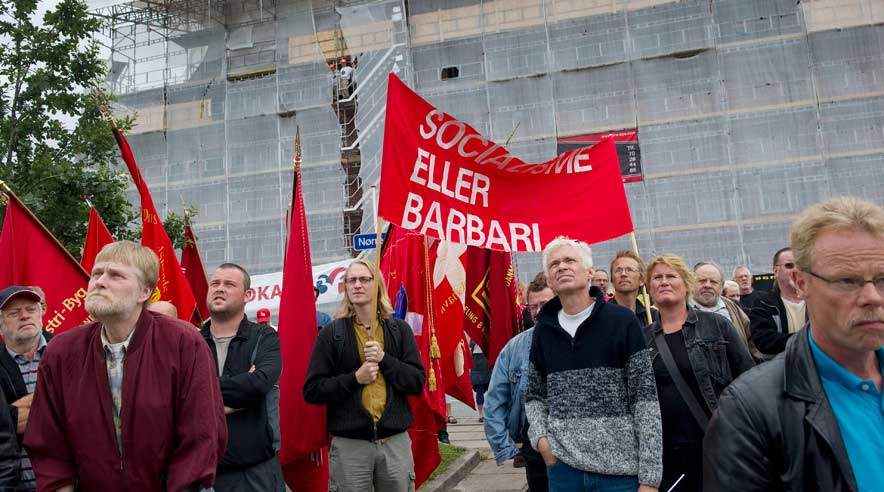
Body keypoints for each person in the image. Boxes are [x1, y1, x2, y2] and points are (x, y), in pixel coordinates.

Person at [704, 196, 884, 491]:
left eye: (882, 278)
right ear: (801, 283)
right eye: (846, 280)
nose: (872, 297)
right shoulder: (747, 411)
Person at [24, 241, 227, 491]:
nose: (99, 281)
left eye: (116, 275)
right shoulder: (62, 352)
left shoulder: (183, 342)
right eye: (97, 273)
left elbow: (201, 433)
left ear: (144, 292)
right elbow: (48, 441)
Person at [526, 237, 662, 492]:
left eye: (570, 260)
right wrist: (542, 441)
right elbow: (534, 396)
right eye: (554, 264)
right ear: (550, 280)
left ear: (589, 272)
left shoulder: (623, 322)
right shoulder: (542, 331)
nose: (562, 266)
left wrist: (650, 478)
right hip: (564, 470)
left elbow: (645, 402)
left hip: (620, 474)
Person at [303, 259, 425, 492]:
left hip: (394, 444)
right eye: (351, 280)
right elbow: (313, 390)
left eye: (364, 279)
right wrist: (354, 379)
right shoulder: (331, 334)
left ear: (377, 285)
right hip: (350, 447)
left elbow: (416, 382)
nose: (357, 285)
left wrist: (384, 360)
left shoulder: (399, 331)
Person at [644, 255, 754, 491]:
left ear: (686, 286)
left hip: (720, 445)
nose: (664, 282)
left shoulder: (717, 325)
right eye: (657, 278)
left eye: (671, 276)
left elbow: (748, 381)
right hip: (671, 457)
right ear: (649, 288)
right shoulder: (643, 339)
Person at [202, 263, 285, 491]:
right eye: (215, 283)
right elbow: (177, 394)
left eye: (229, 284)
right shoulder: (191, 341)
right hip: (202, 472)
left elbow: (257, 384)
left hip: (254, 473)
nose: (220, 289)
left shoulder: (264, 337)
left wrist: (202, 396)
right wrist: (230, 401)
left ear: (247, 295)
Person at [484, 272, 554, 491]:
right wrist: (506, 446)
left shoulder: (578, 340)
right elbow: (495, 399)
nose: (538, 311)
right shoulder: (514, 348)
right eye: (533, 306)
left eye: (545, 303)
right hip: (533, 450)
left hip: (575, 448)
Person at [0, 286, 54, 489]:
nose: (24, 316)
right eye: (14, 313)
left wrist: (10, 414)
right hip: (14, 484)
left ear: (41, 315)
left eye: (31, 309)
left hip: (71, 483)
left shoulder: (70, 354)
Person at [689, 261, 756, 357]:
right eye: (702, 281)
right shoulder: (681, 310)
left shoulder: (733, 308)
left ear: (721, 286)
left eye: (713, 282)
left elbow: (752, 342)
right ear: (691, 282)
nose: (708, 285)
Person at [750, 247, 807, 358]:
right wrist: (809, 341)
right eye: (789, 265)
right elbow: (764, 342)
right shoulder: (763, 303)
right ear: (776, 271)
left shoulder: (819, 299)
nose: (796, 270)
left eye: (800, 266)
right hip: (783, 370)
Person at [609, 250, 655, 326]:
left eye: (629, 270)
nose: (623, 274)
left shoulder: (652, 316)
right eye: (618, 270)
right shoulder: (601, 315)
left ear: (641, 280)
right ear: (612, 280)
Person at [469, 337, 490, 422]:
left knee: (492, 390)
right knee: (479, 390)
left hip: (487, 362)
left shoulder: (489, 334)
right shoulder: (473, 336)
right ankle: (481, 414)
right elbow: (470, 348)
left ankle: (491, 413)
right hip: (476, 364)